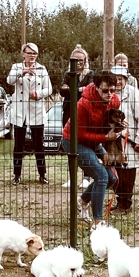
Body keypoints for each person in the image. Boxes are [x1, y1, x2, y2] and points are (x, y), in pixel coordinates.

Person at [61, 71, 122, 226]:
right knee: (101, 175)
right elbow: (80, 135)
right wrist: (106, 138)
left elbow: (108, 121)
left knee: (112, 178)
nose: (110, 94)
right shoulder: (83, 104)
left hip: (94, 141)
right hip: (74, 141)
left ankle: (81, 202)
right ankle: (98, 222)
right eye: (105, 91)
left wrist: (118, 126)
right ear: (96, 87)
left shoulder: (115, 100)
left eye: (113, 90)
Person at [7, 42, 52, 185]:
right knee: (18, 145)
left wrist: (38, 94)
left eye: (34, 53)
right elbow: (9, 80)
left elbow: (49, 89)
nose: (32, 56)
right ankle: (17, 175)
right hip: (20, 112)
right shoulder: (16, 67)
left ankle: (42, 174)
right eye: (29, 53)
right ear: (23, 54)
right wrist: (22, 72)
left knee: (39, 144)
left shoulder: (42, 69)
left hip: (36, 111)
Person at [110, 65, 139, 213]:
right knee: (116, 171)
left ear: (126, 79)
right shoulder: (109, 93)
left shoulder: (134, 94)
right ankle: (119, 201)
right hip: (113, 141)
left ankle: (125, 204)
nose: (118, 82)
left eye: (120, 79)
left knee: (127, 171)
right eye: (115, 79)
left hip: (130, 141)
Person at [60, 45, 93, 189]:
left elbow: (89, 91)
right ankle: (71, 177)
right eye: (76, 60)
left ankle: (86, 177)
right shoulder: (68, 74)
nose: (79, 63)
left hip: (84, 113)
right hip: (69, 112)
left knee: (85, 144)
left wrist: (72, 89)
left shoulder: (90, 74)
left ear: (86, 60)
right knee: (69, 144)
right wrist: (79, 89)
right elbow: (62, 91)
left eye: (81, 60)